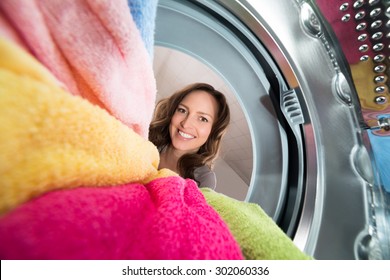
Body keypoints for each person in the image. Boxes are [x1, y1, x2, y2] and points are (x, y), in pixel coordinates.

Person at [149, 82, 230, 190]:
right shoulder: (146, 141)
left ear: (213, 131)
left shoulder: (204, 180)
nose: (186, 124)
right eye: (182, 110)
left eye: (202, 119)